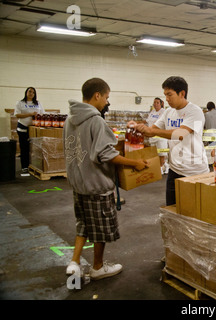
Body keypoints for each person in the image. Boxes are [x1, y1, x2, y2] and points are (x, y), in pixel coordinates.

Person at [64, 78, 148, 280]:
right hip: (96, 185)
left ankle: (74, 262)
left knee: (83, 224)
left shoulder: (69, 120)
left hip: (79, 183)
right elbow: (105, 154)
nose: (106, 103)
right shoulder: (95, 121)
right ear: (97, 95)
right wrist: (134, 163)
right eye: (106, 97)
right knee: (100, 228)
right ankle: (98, 267)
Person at [130, 76, 209, 206]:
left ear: (182, 93)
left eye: (169, 94)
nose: (166, 99)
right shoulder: (168, 112)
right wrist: (138, 127)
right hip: (175, 170)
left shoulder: (195, 111)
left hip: (194, 171)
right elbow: (152, 130)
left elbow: (180, 134)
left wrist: (151, 131)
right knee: (172, 210)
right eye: (165, 95)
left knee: (194, 212)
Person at [14, 87, 45, 173]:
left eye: (33, 92)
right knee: (24, 148)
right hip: (23, 128)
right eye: (29, 91)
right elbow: (17, 115)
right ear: (26, 92)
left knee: (34, 148)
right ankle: (24, 166)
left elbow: (43, 113)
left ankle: (34, 165)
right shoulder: (20, 103)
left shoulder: (38, 103)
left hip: (34, 128)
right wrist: (30, 114)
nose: (31, 93)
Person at [146, 97, 169, 174]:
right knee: (154, 153)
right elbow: (147, 121)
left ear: (161, 104)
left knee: (161, 153)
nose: (155, 104)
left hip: (160, 136)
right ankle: (164, 165)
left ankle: (160, 168)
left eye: (157, 102)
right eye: (154, 102)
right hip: (152, 136)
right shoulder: (152, 112)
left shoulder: (163, 112)